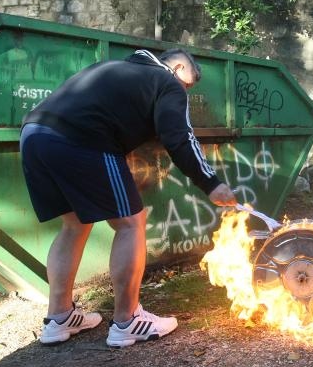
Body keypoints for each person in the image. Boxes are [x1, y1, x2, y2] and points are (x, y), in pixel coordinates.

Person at [20, 48, 237, 348]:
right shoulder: (167, 82)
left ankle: (59, 318)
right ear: (176, 68)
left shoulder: (115, 69)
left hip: (34, 134)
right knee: (131, 223)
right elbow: (178, 136)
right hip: (82, 139)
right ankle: (127, 320)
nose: (185, 93)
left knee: (73, 225)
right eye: (187, 84)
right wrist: (210, 183)